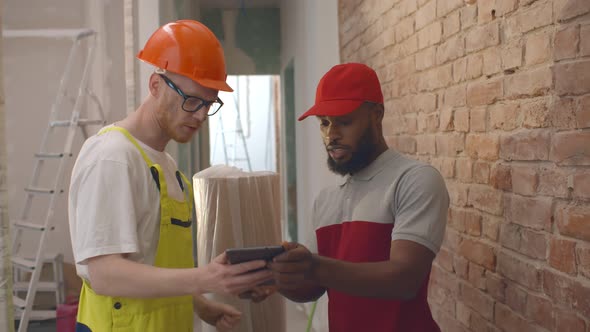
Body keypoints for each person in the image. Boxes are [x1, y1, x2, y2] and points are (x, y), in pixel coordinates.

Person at [68, 20, 271, 332]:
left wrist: (202, 306)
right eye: (191, 100)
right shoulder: (112, 157)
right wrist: (205, 277)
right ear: (155, 86)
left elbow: (152, 267)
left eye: (209, 103)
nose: (201, 115)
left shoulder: (169, 167)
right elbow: (104, 273)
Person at [267, 63, 449, 331]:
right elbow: (312, 288)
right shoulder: (326, 200)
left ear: (376, 114)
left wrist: (312, 266)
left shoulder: (415, 179)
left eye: (344, 121)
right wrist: (278, 278)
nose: (331, 135)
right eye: (324, 123)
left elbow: (404, 278)